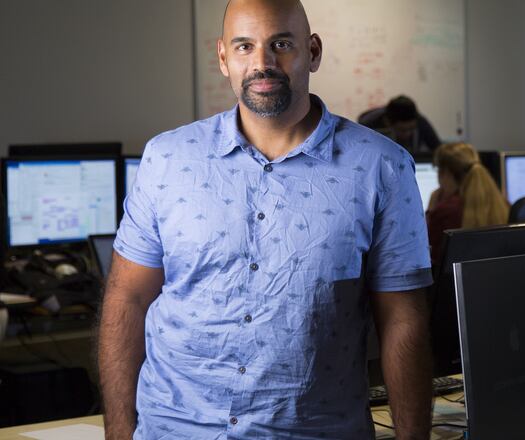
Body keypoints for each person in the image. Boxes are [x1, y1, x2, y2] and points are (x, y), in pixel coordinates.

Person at [98, 1, 434, 439]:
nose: (262, 63)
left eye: (281, 44)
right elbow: (127, 300)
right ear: (223, 57)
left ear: (312, 51)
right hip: (174, 429)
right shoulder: (167, 159)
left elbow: (403, 321)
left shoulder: (382, 168)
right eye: (244, 46)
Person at [425, 143, 509, 264]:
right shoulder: (501, 203)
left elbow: (429, 257)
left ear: (446, 173)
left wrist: (431, 211)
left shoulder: (445, 211)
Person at [358, 95, 441, 155]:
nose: (408, 134)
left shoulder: (420, 121)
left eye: (412, 128)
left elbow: (438, 150)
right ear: (388, 122)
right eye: (403, 130)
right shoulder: (367, 126)